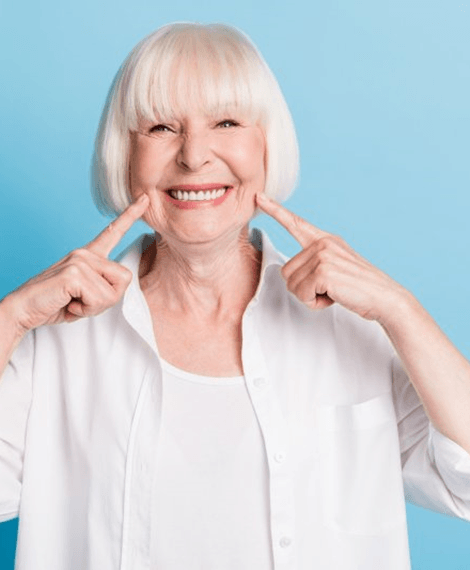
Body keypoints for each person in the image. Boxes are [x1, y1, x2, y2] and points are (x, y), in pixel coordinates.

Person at [0, 22, 469, 570]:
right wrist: (9, 318)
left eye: (226, 121)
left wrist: (401, 309)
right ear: (123, 155)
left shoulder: (354, 330)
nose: (195, 156)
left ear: (267, 145)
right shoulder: (53, 345)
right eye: (160, 127)